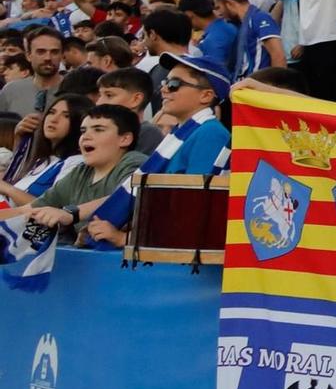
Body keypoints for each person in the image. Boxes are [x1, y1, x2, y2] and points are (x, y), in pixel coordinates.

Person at [82, 53, 233, 249]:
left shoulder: (209, 133)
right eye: (165, 81)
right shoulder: (181, 134)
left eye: (174, 84)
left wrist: (125, 239)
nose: (163, 89)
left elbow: (194, 209)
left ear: (206, 95)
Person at [7, 104, 147, 249]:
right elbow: (26, 211)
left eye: (98, 130)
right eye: (83, 131)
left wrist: (70, 214)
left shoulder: (136, 162)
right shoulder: (80, 172)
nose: (86, 136)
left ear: (125, 139)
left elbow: (127, 195)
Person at [210, 0, 283, 81]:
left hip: (261, 88)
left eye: (219, 8)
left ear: (230, 4)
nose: (219, 14)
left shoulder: (259, 18)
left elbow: (278, 55)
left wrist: (276, 89)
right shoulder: (242, 24)